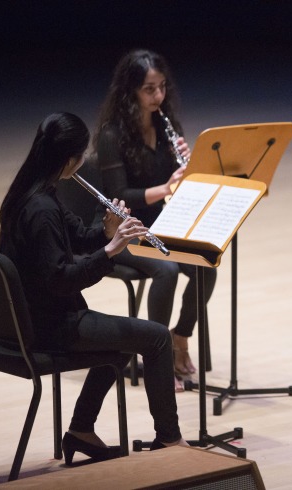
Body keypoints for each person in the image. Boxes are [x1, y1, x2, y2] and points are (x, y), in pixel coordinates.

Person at [0, 112, 189, 465]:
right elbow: (61, 279)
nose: (84, 161)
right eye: (82, 154)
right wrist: (112, 250)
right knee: (158, 336)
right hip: (48, 326)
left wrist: (106, 229)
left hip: (31, 318)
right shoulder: (40, 209)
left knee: (131, 338)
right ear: (70, 159)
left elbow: (78, 238)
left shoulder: (31, 193)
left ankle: (81, 431)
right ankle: (170, 441)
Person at [94, 49, 217, 391]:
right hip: (121, 230)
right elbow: (120, 197)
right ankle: (157, 359)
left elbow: (175, 186)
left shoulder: (166, 128)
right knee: (166, 269)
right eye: (149, 89)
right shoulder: (111, 135)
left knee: (206, 263)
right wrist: (166, 187)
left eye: (162, 87)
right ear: (130, 90)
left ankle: (179, 336)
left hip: (158, 225)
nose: (158, 96)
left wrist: (188, 171)